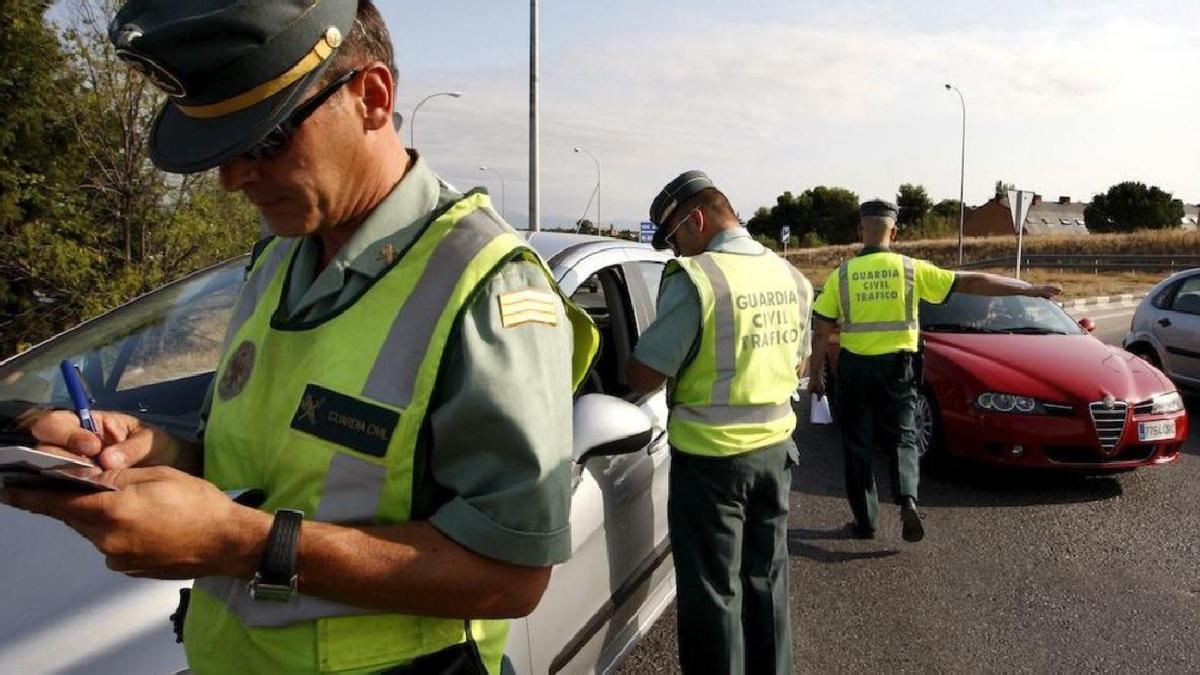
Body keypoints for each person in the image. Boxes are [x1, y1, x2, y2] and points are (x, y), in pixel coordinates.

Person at [0, 1, 598, 673]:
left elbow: (512, 578)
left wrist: (245, 544)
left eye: (264, 140)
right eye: (225, 149)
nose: (232, 178)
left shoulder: (486, 288)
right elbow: (266, 464)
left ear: (372, 97)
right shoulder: (280, 254)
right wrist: (158, 448)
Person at [626, 171, 812, 675]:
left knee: (713, 596)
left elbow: (646, 373)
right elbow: (799, 365)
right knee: (768, 580)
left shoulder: (697, 279)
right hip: (777, 455)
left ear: (697, 220)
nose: (676, 252)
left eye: (675, 238)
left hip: (712, 465)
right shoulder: (789, 276)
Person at [808, 199, 1060, 543]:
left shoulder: (843, 275)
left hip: (855, 370)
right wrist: (1028, 290)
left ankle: (865, 522)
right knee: (903, 436)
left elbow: (821, 330)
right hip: (899, 368)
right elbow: (971, 282)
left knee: (858, 445)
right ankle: (907, 500)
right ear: (894, 233)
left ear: (860, 231)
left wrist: (816, 378)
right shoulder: (912, 269)